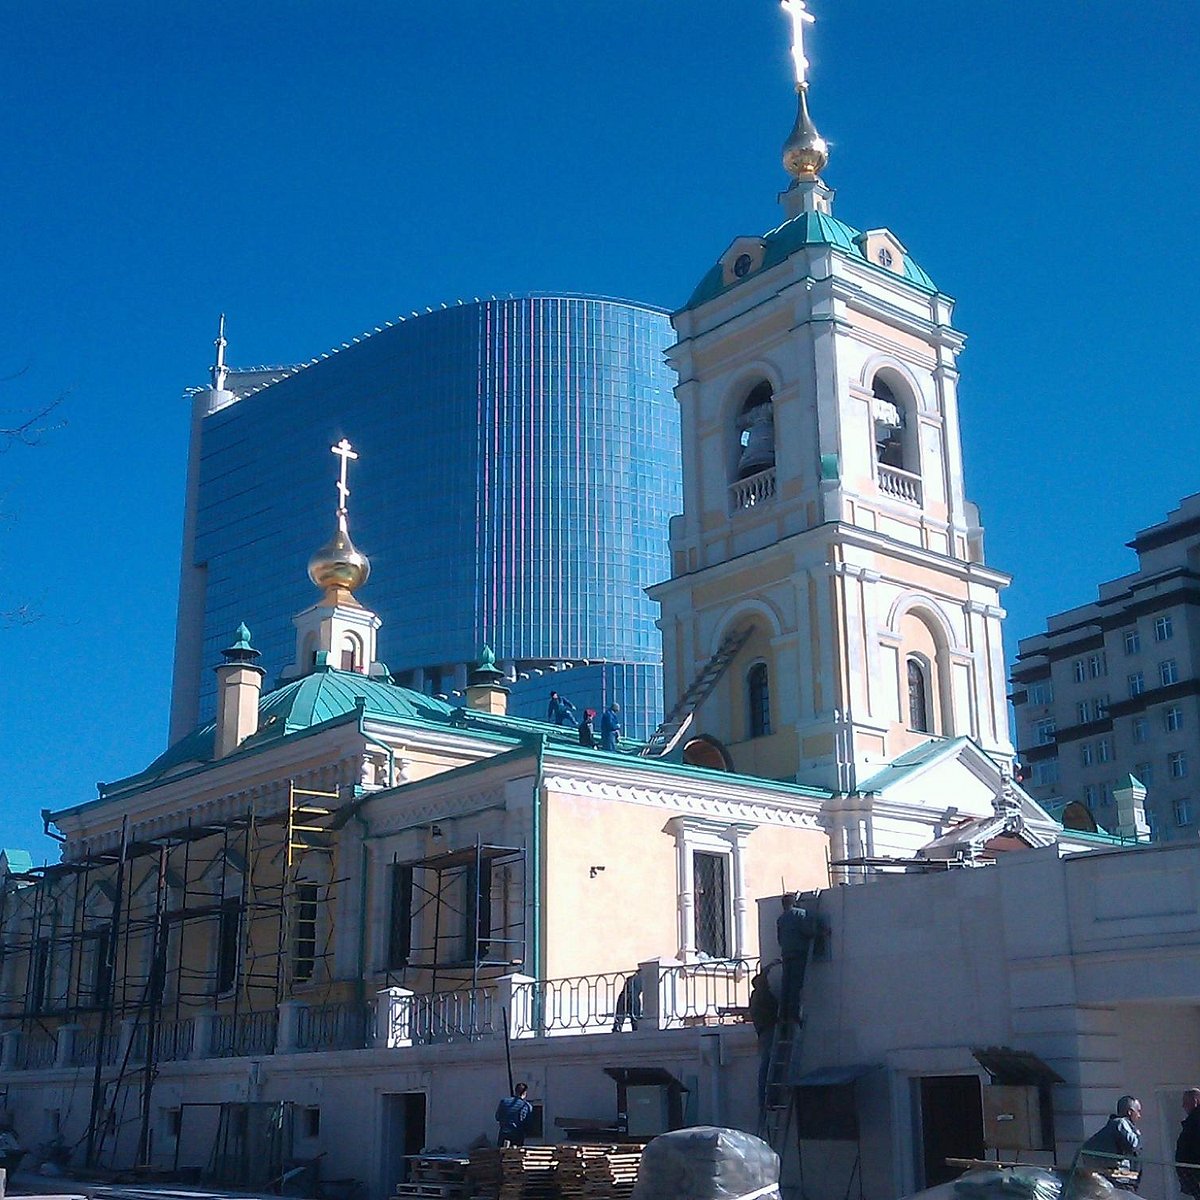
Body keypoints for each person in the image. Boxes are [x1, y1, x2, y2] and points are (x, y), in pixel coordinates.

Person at [1080, 1095, 1142, 1184]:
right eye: (1138, 1111)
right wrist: (1137, 1134)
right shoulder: (1121, 1123)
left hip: (1114, 1175)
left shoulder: (1114, 1124)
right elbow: (1134, 1145)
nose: (1139, 1116)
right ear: (1130, 1112)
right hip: (1118, 1177)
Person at [776, 892, 817, 1022]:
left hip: (786, 953)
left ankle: (783, 1015)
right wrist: (822, 933)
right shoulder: (800, 914)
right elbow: (807, 931)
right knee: (795, 985)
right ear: (794, 902)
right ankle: (794, 1015)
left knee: (786, 985)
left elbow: (780, 940)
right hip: (798, 953)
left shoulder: (781, 919)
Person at [748, 972, 779, 1110]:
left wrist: (771, 965)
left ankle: (767, 1099)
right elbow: (773, 1008)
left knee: (767, 1064)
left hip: (764, 1032)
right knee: (769, 1065)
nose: (768, 984)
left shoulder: (756, 996)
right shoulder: (762, 996)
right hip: (768, 1031)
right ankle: (768, 1098)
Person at [1177, 1088, 1200, 1198]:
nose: (1183, 1106)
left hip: (1195, 1173)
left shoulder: (1195, 1121)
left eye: (1186, 1103)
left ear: (1195, 1101)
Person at [495, 1082, 533, 1148]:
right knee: (516, 1155)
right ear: (525, 1093)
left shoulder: (504, 1102)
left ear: (515, 1091)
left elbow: (497, 1117)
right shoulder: (526, 1106)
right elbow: (528, 1124)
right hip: (517, 1135)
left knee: (501, 1154)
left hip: (504, 1133)